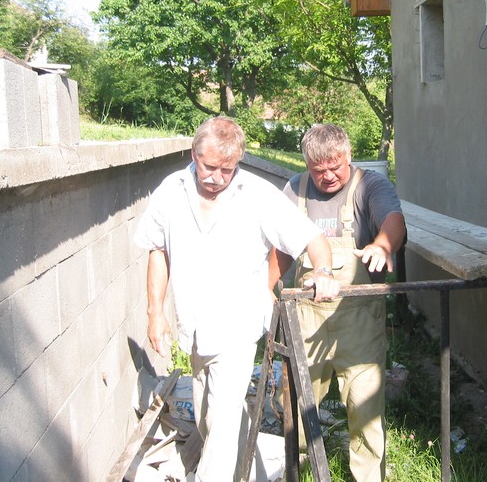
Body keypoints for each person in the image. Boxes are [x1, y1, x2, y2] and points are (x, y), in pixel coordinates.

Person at [134, 116, 339, 482]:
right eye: (209, 167)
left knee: (223, 421)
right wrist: (155, 313)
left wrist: (323, 271)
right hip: (194, 327)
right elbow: (157, 251)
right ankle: (246, 471)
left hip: (238, 325)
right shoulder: (171, 190)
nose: (217, 177)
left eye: (226, 170)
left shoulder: (257, 194)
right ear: (194, 154)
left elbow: (311, 238)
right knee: (208, 417)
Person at [268, 124, 406, 482]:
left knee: (365, 405)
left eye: (335, 166)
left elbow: (393, 220)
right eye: (319, 170)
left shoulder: (370, 186)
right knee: (296, 402)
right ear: (306, 164)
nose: (328, 176)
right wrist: (266, 292)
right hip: (307, 318)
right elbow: (281, 249)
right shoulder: (294, 190)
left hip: (357, 319)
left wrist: (383, 246)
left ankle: (368, 477)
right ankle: (295, 468)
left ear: (348, 156)